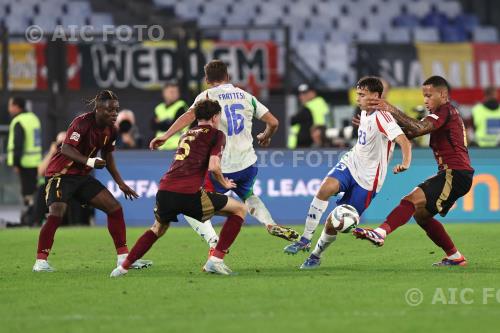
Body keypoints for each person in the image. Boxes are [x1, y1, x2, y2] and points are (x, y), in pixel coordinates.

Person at [150, 59, 299, 252]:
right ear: (228, 77)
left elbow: (189, 116)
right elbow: (273, 122)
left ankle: (213, 242)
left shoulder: (207, 96)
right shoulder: (246, 96)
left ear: (206, 79)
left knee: (189, 204)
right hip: (247, 164)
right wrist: (265, 136)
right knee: (248, 194)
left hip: (220, 165)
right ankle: (269, 223)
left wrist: (166, 135)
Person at [284, 77, 412, 269]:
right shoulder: (365, 112)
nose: (358, 99)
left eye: (362, 95)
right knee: (325, 188)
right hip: (352, 163)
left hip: (368, 180)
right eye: (357, 94)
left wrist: (406, 162)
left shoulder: (383, 117)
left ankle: (316, 255)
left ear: (376, 96)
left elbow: (404, 140)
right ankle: (305, 238)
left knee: (333, 223)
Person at [111, 99, 246, 277]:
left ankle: (123, 267)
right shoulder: (216, 134)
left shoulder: (186, 134)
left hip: (165, 189)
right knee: (239, 209)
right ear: (214, 117)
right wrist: (225, 183)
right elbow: (214, 166)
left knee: (157, 229)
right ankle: (216, 260)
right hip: (189, 193)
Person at [353, 76, 474, 267]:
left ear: (442, 94)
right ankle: (454, 256)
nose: (425, 100)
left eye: (429, 96)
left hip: (455, 173)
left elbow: (417, 128)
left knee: (411, 200)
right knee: (421, 216)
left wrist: (390, 108)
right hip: (453, 173)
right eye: (423, 96)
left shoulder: (445, 111)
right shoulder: (442, 114)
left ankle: (380, 232)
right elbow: (410, 132)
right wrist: (372, 127)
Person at [32, 90, 152, 272]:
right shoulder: (81, 123)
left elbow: (108, 158)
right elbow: (65, 149)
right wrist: (89, 161)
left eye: (116, 110)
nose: (114, 114)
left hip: (81, 176)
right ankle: (40, 262)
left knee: (115, 208)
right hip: (60, 174)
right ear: (97, 109)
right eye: (109, 110)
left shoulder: (112, 130)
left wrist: (120, 183)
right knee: (57, 212)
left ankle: (123, 258)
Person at [6, 97, 42, 226]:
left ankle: (31, 219)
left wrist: (16, 163)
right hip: (36, 162)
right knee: (34, 191)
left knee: (27, 194)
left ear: (17, 106)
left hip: (24, 163)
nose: (9, 108)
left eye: (10, 105)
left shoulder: (18, 121)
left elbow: (18, 144)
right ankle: (34, 217)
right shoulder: (33, 118)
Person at [288, 84, 329, 149]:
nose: (302, 96)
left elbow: (292, 120)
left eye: (305, 93)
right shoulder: (320, 104)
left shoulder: (310, 107)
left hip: (310, 146)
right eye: (300, 94)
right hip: (312, 146)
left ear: (313, 93)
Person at [151, 82, 188, 150]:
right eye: (171, 92)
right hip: (161, 147)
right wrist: (166, 122)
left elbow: (174, 125)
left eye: (175, 92)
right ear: (164, 93)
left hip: (177, 146)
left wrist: (161, 123)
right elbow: (153, 125)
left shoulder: (181, 106)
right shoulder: (159, 108)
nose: (173, 94)